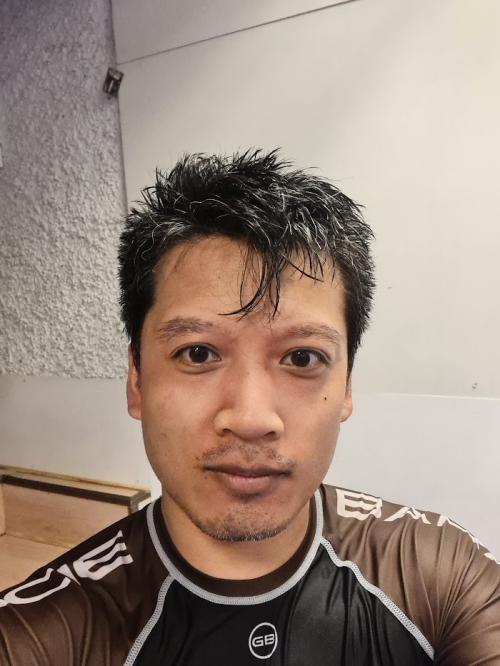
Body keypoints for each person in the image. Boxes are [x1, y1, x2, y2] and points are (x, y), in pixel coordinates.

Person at [0, 150, 499, 665]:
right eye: (198, 353)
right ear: (137, 380)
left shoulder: (438, 573)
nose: (251, 419)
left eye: (302, 357)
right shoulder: (39, 635)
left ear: (347, 385)